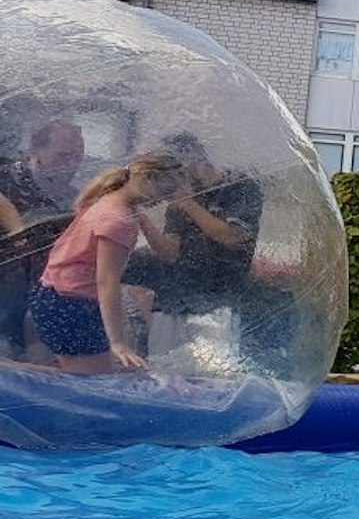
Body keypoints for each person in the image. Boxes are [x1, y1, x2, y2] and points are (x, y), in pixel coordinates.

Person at [121, 134, 280, 367]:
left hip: (218, 305)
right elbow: (170, 252)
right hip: (173, 302)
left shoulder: (240, 187)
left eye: (172, 171)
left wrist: (187, 202)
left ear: (189, 163)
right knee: (163, 375)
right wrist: (141, 219)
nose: (169, 180)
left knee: (213, 379)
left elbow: (232, 236)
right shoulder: (182, 196)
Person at [27, 150, 184, 373]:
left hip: (57, 297)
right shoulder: (119, 219)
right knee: (89, 380)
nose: (165, 200)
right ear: (149, 179)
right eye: (165, 191)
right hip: (69, 304)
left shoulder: (115, 202)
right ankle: (6, 372)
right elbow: (107, 281)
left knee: (95, 374)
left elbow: (168, 254)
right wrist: (117, 342)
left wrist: (142, 218)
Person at [0, 119, 86, 361]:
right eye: (63, 156)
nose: (71, 164)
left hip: (39, 300)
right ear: (36, 151)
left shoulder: (73, 199)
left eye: (78, 157)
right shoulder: (7, 180)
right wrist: (16, 225)